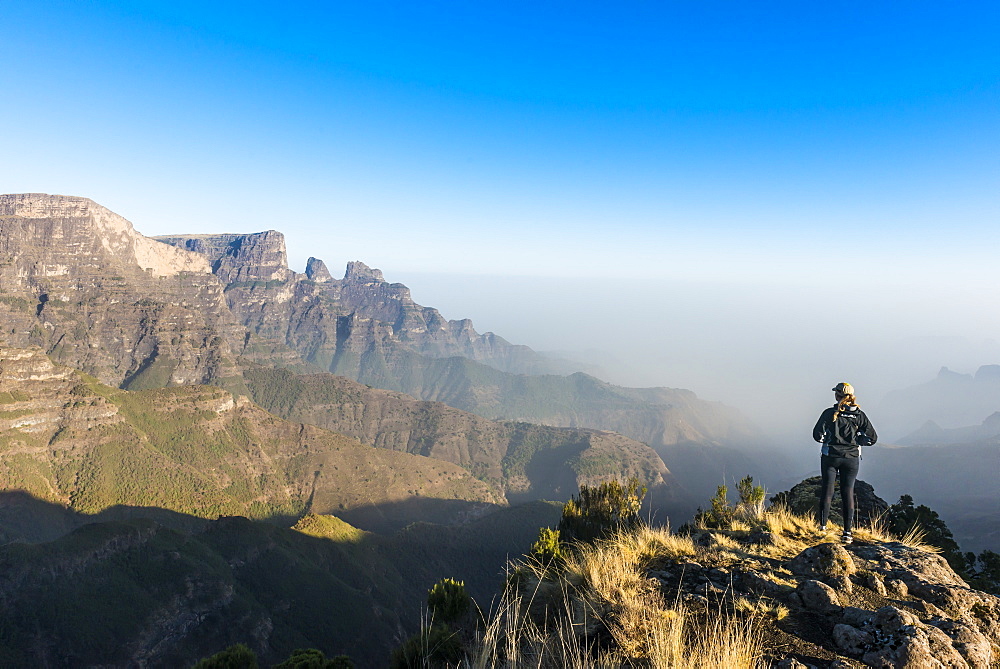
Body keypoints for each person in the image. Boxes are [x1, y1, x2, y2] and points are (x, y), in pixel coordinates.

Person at [812, 382, 878, 544]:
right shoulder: (860, 415)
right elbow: (872, 438)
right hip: (851, 458)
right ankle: (847, 533)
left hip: (831, 457)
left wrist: (827, 440)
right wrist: (857, 441)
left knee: (827, 491)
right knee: (848, 493)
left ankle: (822, 528)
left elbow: (817, 435)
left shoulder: (829, 413)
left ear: (837, 395)